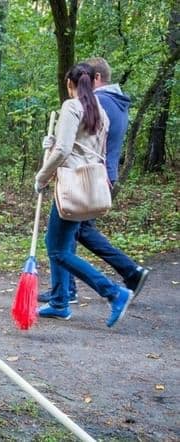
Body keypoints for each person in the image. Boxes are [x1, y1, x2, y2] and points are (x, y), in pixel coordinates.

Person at [37, 57, 150, 305]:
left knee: (63, 244)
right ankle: (62, 294)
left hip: (79, 180)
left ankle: (110, 287)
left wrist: (43, 175)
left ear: (94, 79)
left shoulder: (94, 104)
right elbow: (85, 143)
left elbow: (69, 148)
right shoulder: (112, 106)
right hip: (96, 178)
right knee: (73, 236)